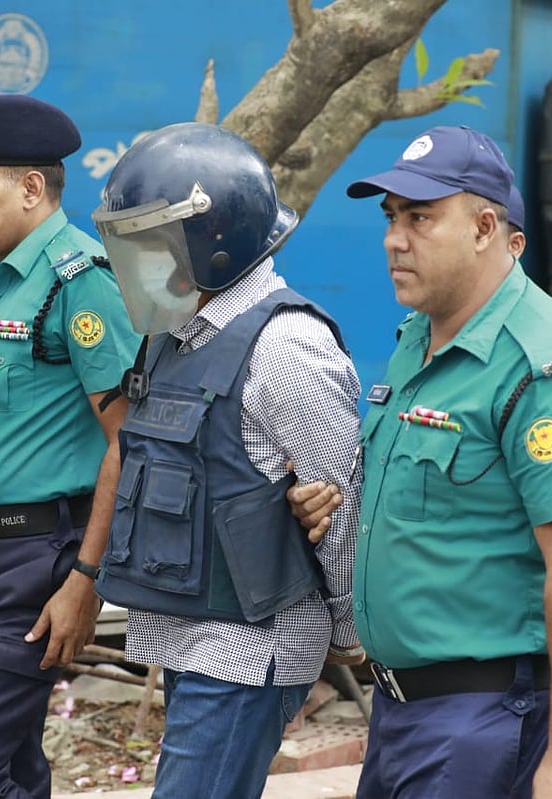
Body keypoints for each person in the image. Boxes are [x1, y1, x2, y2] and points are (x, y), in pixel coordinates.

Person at [337, 125, 552, 798]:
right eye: (391, 217)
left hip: (479, 721)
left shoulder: (546, 367)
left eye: (419, 217)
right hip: (401, 712)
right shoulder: (420, 338)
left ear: (485, 228)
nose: (394, 238)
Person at [89, 122, 362, 799]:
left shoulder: (287, 346)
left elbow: (340, 504)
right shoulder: (175, 332)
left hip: (247, 647)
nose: (138, 265)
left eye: (151, 245)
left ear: (213, 245)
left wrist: (350, 627)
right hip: (187, 631)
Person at [0, 95, 136, 797]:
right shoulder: (3, 281)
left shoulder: (81, 281)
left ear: (32, 188)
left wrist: (85, 582)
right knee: (12, 768)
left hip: (35, 567)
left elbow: (127, 441)